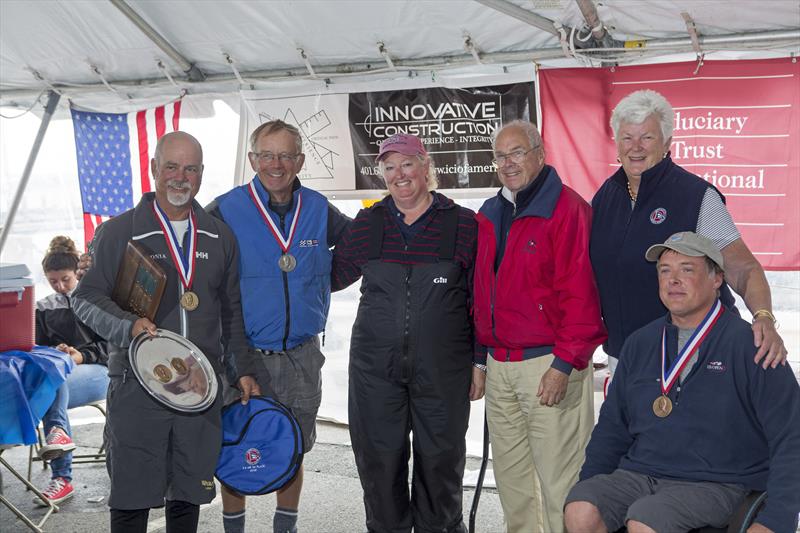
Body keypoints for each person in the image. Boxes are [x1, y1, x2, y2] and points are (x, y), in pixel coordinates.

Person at [73, 131, 259, 533]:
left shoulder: (219, 236)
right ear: (155, 168)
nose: (180, 177)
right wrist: (127, 325)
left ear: (201, 174)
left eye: (190, 168)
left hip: (199, 387)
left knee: (188, 493)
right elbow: (84, 298)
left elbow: (232, 312)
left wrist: (242, 368)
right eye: (171, 166)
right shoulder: (120, 231)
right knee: (132, 495)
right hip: (137, 387)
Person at [564, 232, 800, 533]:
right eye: (665, 270)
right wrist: (591, 483)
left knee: (647, 520)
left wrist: (777, 520)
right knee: (580, 508)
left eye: (687, 269)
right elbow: (612, 428)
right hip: (641, 474)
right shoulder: (641, 343)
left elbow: (791, 435)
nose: (673, 279)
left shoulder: (752, 344)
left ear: (717, 279)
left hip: (718, 481)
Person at [331, 133, 483, 533]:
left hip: (444, 370)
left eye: (407, 164)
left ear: (426, 166)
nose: (399, 174)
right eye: (389, 167)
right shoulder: (368, 224)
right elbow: (328, 277)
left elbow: (482, 300)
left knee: (441, 461)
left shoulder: (464, 224)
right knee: (380, 461)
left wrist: (480, 360)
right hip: (375, 372)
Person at [209, 119, 350, 533]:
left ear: (300, 161)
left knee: (292, 449)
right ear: (252, 159)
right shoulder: (224, 210)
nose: (276, 164)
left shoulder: (320, 209)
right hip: (241, 356)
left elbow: (359, 246)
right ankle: (233, 528)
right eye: (267, 155)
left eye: (286, 155)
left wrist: (323, 279)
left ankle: (283, 529)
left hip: (302, 356)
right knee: (236, 446)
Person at [590, 89, 786, 379]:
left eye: (647, 137)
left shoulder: (696, 197)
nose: (636, 147)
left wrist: (764, 317)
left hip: (693, 355)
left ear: (667, 142)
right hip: (625, 356)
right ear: (616, 143)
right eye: (627, 137)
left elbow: (743, 268)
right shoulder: (605, 197)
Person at [472, 120, 606, 532]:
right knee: (513, 486)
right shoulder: (490, 212)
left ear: (540, 154)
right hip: (499, 366)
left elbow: (581, 293)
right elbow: (479, 293)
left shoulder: (568, 209)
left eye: (517, 152)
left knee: (560, 482)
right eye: (500, 156)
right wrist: (480, 360)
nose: (507, 163)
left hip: (548, 363)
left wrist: (565, 363)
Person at [32, 235, 110, 505]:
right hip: (61, 376)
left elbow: (115, 347)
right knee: (53, 377)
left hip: (99, 372)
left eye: (65, 279)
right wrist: (57, 352)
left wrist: (80, 355)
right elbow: (34, 350)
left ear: (77, 271)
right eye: (53, 281)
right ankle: (59, 440)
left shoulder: (96, 299)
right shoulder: (41, 308)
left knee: (54, 382)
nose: (60, 286)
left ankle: (62, 478)